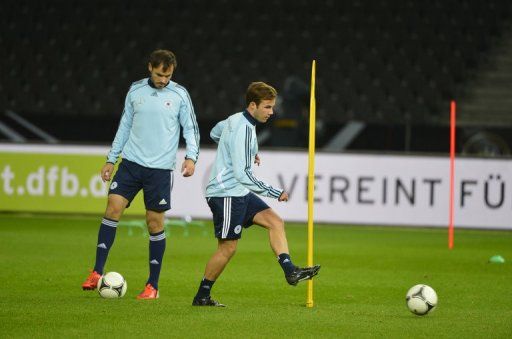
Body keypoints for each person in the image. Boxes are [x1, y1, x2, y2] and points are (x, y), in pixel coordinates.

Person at [81, 49, 200, 299]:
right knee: (112, 208)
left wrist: (191, 157)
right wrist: (111, 159)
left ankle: (152, 286)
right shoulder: (135, 90)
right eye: (159, 75)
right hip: (131, 164)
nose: (163, 80)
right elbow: (124, 125)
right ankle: (96, 271)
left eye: (167, 76)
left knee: (154, 223)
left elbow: (191, 128)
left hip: (159, 170)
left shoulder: (180, 94)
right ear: (150, 67)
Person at [192, 82, 320, 307]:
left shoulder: (235, 120)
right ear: (253, 105)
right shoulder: (242, 129)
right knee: (228, 248)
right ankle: (202, 295)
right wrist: (275, 191)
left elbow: (214, 132)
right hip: (226, 193)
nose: (272, 112)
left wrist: (247, 151)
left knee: (275, 222)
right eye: (268, 107)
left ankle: (290, 270)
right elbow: (243, 175)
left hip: (237, 192)